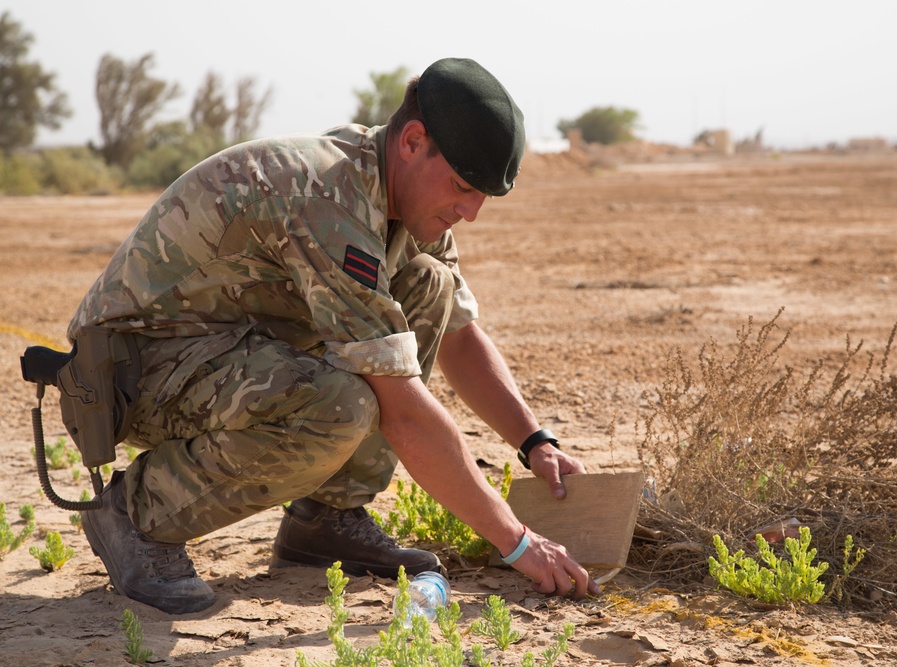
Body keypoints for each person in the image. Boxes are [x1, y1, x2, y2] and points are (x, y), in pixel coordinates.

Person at [69, 57, 600, 615]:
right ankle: (134, 512)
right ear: (413, 141)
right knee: (340, 406)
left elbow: (460, 336)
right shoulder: (327, 197)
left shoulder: (408, 203)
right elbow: (404, 413)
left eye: (482, 198)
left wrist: (534, 442)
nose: (470, 213)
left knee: (427, 284)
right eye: (463, 187)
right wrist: (517, 541)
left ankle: (325, 521)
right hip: (131, 369)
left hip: (221, 351)